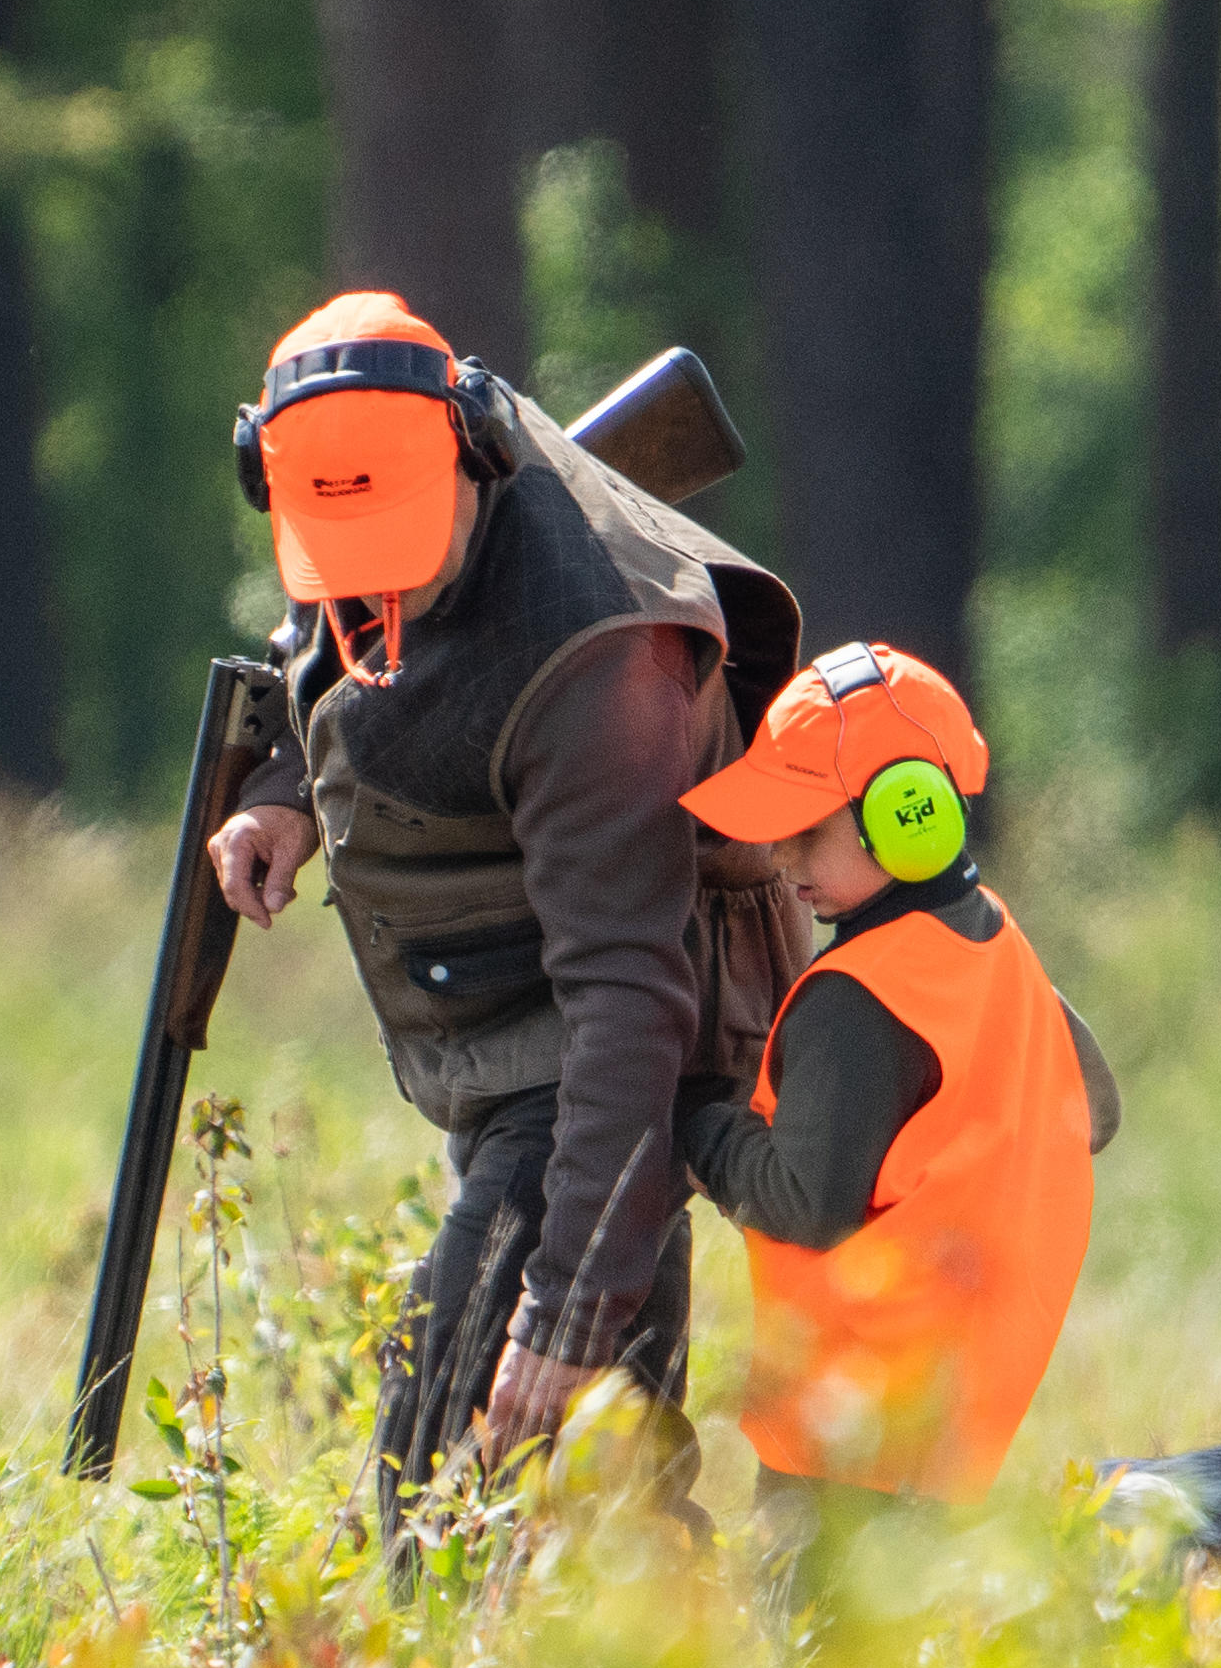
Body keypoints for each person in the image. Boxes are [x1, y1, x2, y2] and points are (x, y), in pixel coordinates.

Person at [204, 293, 801, 1533]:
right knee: (595, 1480)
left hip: (618, 1028)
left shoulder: (596, 661)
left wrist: (564, 1306)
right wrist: (283, 795)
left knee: (455, 1402)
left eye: (401, 538)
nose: (372, 579)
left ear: (468, 450)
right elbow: (323, 652)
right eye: (338, 542)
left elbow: (631, 1004)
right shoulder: (375, 497)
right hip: (511, 1014)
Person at [673, 643, 1119, 1564]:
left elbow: (804, 1200)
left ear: (906, 815)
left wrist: (693, 1114)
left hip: (848, 1437)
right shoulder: (993, 940)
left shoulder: (858, 996)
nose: (778, 853)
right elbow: (1095, 1111)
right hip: (948, 1429)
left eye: (806, 827)